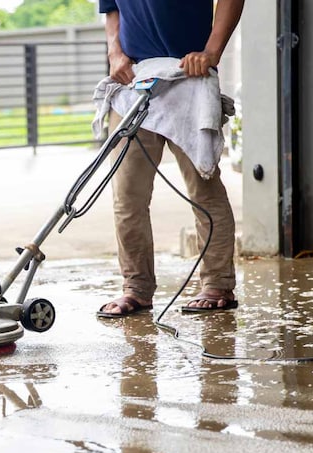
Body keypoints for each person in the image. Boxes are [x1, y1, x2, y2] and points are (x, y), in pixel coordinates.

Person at [95, 0, 244, 318]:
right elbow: (112, 9)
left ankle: (218, 284)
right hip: (135, 82)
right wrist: (115, 53)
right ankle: (136, 289)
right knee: (127, 196)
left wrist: (212, 51)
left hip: (190, 75)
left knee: (204, 191)